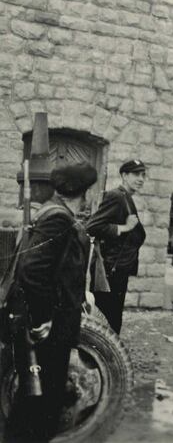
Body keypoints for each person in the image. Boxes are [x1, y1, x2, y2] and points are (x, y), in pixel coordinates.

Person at [5, 162, 97, 441]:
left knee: (35, 398)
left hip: (47, 324)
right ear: (83, 193)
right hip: (47, 330)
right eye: (90, 192)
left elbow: (58, 268)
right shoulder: (59, 218)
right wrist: (43, 318)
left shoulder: (51, 211)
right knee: (40, 403)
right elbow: (32, 271)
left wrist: (79, 297)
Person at [86, 159, 146, 334]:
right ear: (124, 176)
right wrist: (123, 228)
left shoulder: (126, 198)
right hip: (110, 270)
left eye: (143, 175)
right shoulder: (117, 196)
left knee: (111, 318)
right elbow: (92, 226)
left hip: (117, 269)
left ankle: (105, 356)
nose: (141, 179)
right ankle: (101, 357)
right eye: (136, 174)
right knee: (107, 318)